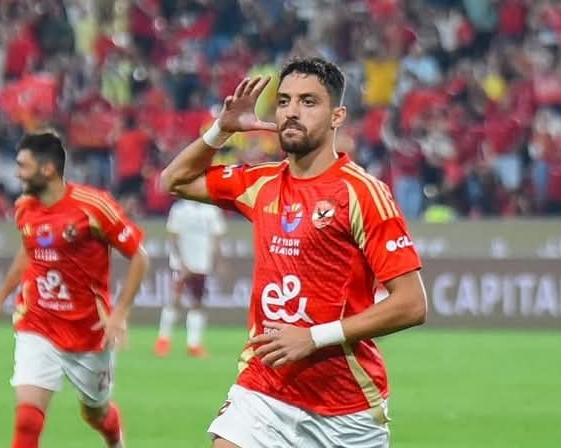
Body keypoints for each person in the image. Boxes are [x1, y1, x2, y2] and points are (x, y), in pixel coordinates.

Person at [161, 57, 427, 447]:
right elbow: (174, 181)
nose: (291, 111)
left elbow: (412, 304)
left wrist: (314, 337)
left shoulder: (363, 193)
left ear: (337, 116)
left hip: (344, 407)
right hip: (264, 388)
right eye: (284, 101)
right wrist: (222, 130)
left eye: (308, 101)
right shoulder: (262, 182)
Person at [0, 132, 149, 448]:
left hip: (89, 332)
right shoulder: (25, 207)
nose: (17, 174)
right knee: (27, 420)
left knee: (96, 413)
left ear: (47, 169)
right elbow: (29, 252)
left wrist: (120, 313)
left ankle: (114, 436)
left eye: (23, 166)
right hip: (37, 323)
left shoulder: (94, 206)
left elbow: (140, 257)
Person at [154, 198, 226, 357]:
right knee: (175, 300)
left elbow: (216, 238)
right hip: (180, 265)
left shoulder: (211, 210)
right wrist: (182, 262)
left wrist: (220, 261)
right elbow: (173, 237)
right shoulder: (179, 209)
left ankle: (193, 344)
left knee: (197, 303)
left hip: (202, 264)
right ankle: (163, 340)